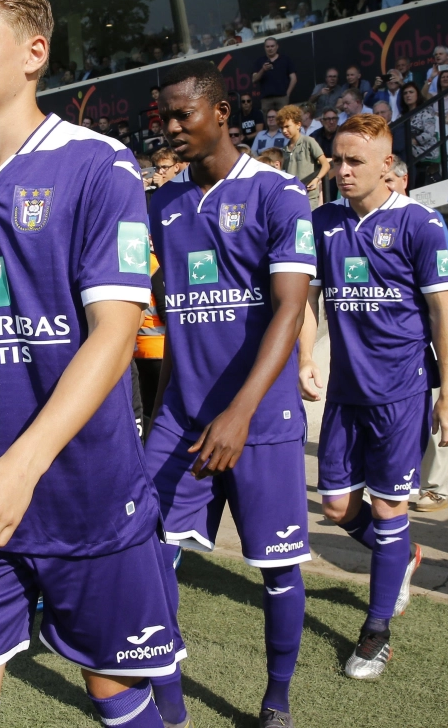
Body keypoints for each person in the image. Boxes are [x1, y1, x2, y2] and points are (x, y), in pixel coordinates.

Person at [0, 0, 181, 728]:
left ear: (34, 53)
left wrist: (21, 469)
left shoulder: (99, 165)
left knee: (117, 697)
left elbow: (117, 332)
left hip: (85, 492)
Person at [145, 60, 315, 728]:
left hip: (260, 420)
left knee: (277, 568)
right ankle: (169, 701)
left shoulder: (279, 195)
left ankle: (276, 698)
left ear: (220, 114)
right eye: (163, 117)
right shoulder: (161, 203)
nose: (171, 128)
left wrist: (240, 412)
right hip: (181, 418)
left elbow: (290, 312)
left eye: (182, 114)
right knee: (150, 558)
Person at [298, 113, 448, 680]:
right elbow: (308, 300)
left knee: (391, 509)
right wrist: (303, 359)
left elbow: (444, 311)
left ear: (387, 166)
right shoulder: (323, 222)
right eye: (338, 160)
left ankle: (375, 634)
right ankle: (403, 557)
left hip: (402, 392)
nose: (342, 171)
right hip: (346, 391)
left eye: (354, 162)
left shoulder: (421, 223)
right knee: (337, 507)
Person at [382, 160, 448, 512]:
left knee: (436, 410)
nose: (384, 184)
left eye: (389, 179)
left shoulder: (424, 219)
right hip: (392, 345)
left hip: (432, 339)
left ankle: (435, 487)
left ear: (403, 180)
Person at [278, 103, 329, 209]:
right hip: (291, 198)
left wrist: (316, 179)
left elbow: (326, 165)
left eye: (287, 126)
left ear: (298, 124)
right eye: (282, 127)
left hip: (309, 197)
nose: (284, 131)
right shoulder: (284, 150)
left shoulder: (308, 141)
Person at [251, 37, 297, 113]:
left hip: (282, 98)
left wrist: (287, 94)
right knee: (269, 123)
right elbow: (254, 79)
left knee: (284, 122)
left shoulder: (285, 59)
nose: (270, 49)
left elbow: (294, 78)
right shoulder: (259, 61)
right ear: (264, 48)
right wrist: (263, 70)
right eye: (268, 47)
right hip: (266, 99)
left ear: (277, 46)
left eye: (272, 46)